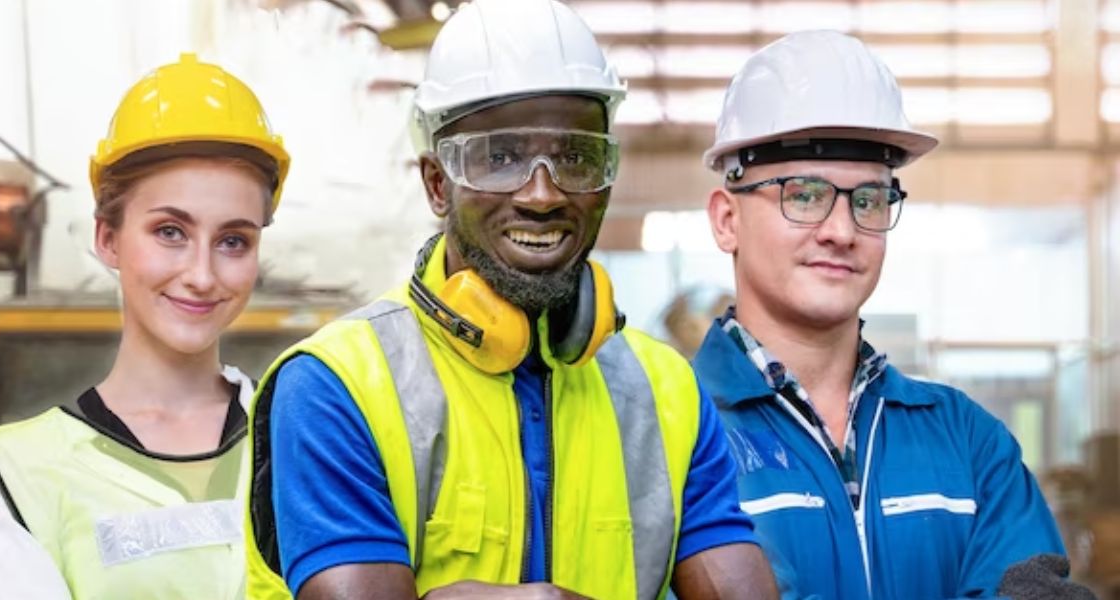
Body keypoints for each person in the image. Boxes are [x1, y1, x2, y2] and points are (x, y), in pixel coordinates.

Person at [243, 1, 777, 598]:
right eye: (500, 158)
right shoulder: (336, 386)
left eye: (575, 157)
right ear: (437, 184)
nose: (542, 194)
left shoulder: (666, 393)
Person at [693, 30, 1070, 599]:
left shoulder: (969, 442)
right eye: (803, 194)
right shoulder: (673, 432)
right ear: (727, 220)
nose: (842, 231)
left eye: (868, 200)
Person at [0, 53, 289, 599]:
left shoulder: (303, 439)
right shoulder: (20, 474)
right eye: (169, 232)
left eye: (233, 240)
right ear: (107, 238)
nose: (202, 275)